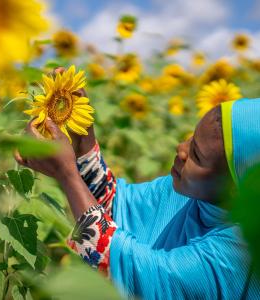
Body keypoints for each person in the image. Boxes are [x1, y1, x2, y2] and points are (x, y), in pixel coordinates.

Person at [15, 86, 260, 299]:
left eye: (197, 155)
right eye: (191, 138)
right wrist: (83, 141)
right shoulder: (193, 198)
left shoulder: (242, 254)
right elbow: (116, 205)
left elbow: (139, 279)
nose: (181, 149)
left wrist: (67, 175)